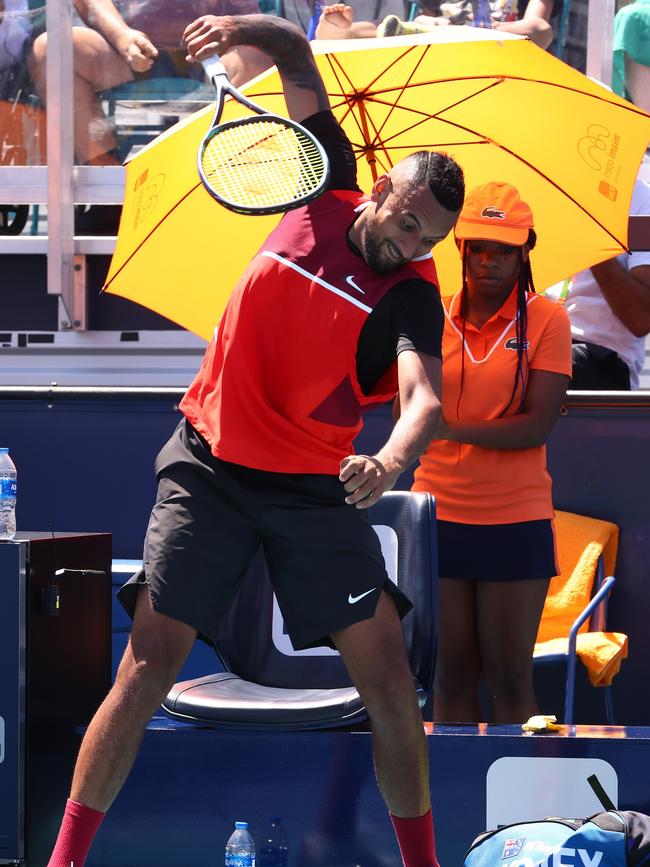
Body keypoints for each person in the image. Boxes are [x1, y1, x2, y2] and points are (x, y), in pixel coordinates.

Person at [45, 12, 465, 867]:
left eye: (430, 238)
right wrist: (247, 24)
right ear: (383, 187)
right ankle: (64, 860)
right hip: (208, 468)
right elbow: (294, 51)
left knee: (387, 675)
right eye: (409, 220)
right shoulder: (327, 178)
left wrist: (389, 459)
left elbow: (426, 400)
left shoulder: (411, 294)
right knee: (147, 666)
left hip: (312, 489)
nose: (410, 242)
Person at [411, 181, 572, 724]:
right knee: (449, 673)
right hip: (434, 516)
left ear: (526, 248)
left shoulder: (549, 318)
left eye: (503, 248)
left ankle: (523, 812)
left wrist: (447, 427)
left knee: (509, 677)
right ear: (460, 247)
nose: (489, 260)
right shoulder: (427, 312)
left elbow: (534, 428)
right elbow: (405, 413)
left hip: (515, 517)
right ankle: (451, 808)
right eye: (478, 245)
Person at [26, 0, 272, 169]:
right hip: (123, 48)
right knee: (54, 49)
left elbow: (245, 16)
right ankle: (107, 182)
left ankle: (227, 172)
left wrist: (219, 36)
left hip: (213, 52)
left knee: (259, 59)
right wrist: (121, 35)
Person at [541, 182, 650, 391]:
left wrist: (592, 240)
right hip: (539, 345)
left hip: (601, 357)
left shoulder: (642, 199)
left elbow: (641, 318)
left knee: (547, 368)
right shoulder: (543, 188)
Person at [315, 0, 555, 50]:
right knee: (364, 31)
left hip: (501, 37)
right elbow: (428, 11)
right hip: (441, 30)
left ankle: (464, 33)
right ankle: (336, 28)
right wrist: (435, 21)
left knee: (540, 29)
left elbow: (539, 25)